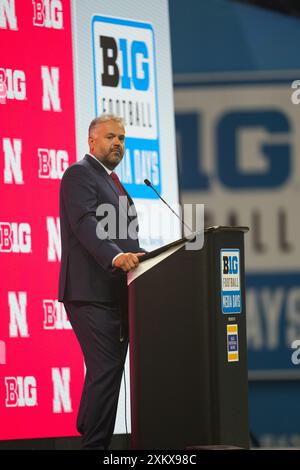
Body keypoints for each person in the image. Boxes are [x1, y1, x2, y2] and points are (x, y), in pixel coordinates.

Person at [58, 114, 145, 450]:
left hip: (115, 292)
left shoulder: (112, 181)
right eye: (111, 137)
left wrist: (144, 256)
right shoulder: (79, 174)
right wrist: (114, 257)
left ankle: (87, 425)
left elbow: (126, 238)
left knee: (106, 372)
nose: (118, 144)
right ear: (92, 141)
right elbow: (85, 223)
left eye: (122, 138)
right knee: (107, 369)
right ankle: (93, 443)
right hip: (89, 291)